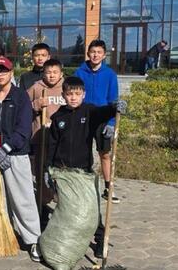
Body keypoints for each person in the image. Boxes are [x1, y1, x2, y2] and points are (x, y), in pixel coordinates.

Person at [46, 76, 127, 258]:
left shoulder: (89, 111)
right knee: (67, 209)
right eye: (69, 94)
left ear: (83, 94)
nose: (73, 98)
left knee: (90, 209)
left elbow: (103, 112)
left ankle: (100, 240)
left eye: (77, 94)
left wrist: (114, 107)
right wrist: (47, 168)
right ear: (63, 95)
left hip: (83, 172)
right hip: (62, 172)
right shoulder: (58, 117)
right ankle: (67, 242)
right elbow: (52, 145)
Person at [0, 57, 41, 262]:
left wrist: (6, 148)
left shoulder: (20, 97)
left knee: (23, 199)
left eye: (3, 71)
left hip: (16, 155)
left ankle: (33, 240)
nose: (0, 74)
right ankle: (5, 235)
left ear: (11, 73)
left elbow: (23, 128)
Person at [75, 40, 120, 204]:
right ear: (88, 53)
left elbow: (113, 100)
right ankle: (82, 185)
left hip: (103, 118)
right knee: (82, 152)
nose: (95, 55)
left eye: (99, 52)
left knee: (105, 153)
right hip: (84, 116)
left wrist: (111, 122)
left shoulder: (110, 74)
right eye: (93, 52)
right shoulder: (79, 72)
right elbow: (74, 95)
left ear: (104, 55)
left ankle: (108, 188)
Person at [26, 58, 66, 207]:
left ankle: (61, 198)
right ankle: (42, 200)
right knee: (41, 169)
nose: (52, 75)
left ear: (61, 73)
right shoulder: (37, 87)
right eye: (48, 72)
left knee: (59, 168)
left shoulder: (66, 87)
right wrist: (36, 104)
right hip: (41, 136)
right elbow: (23, 105)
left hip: (61, 138)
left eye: (55, 72)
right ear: (43, 73)